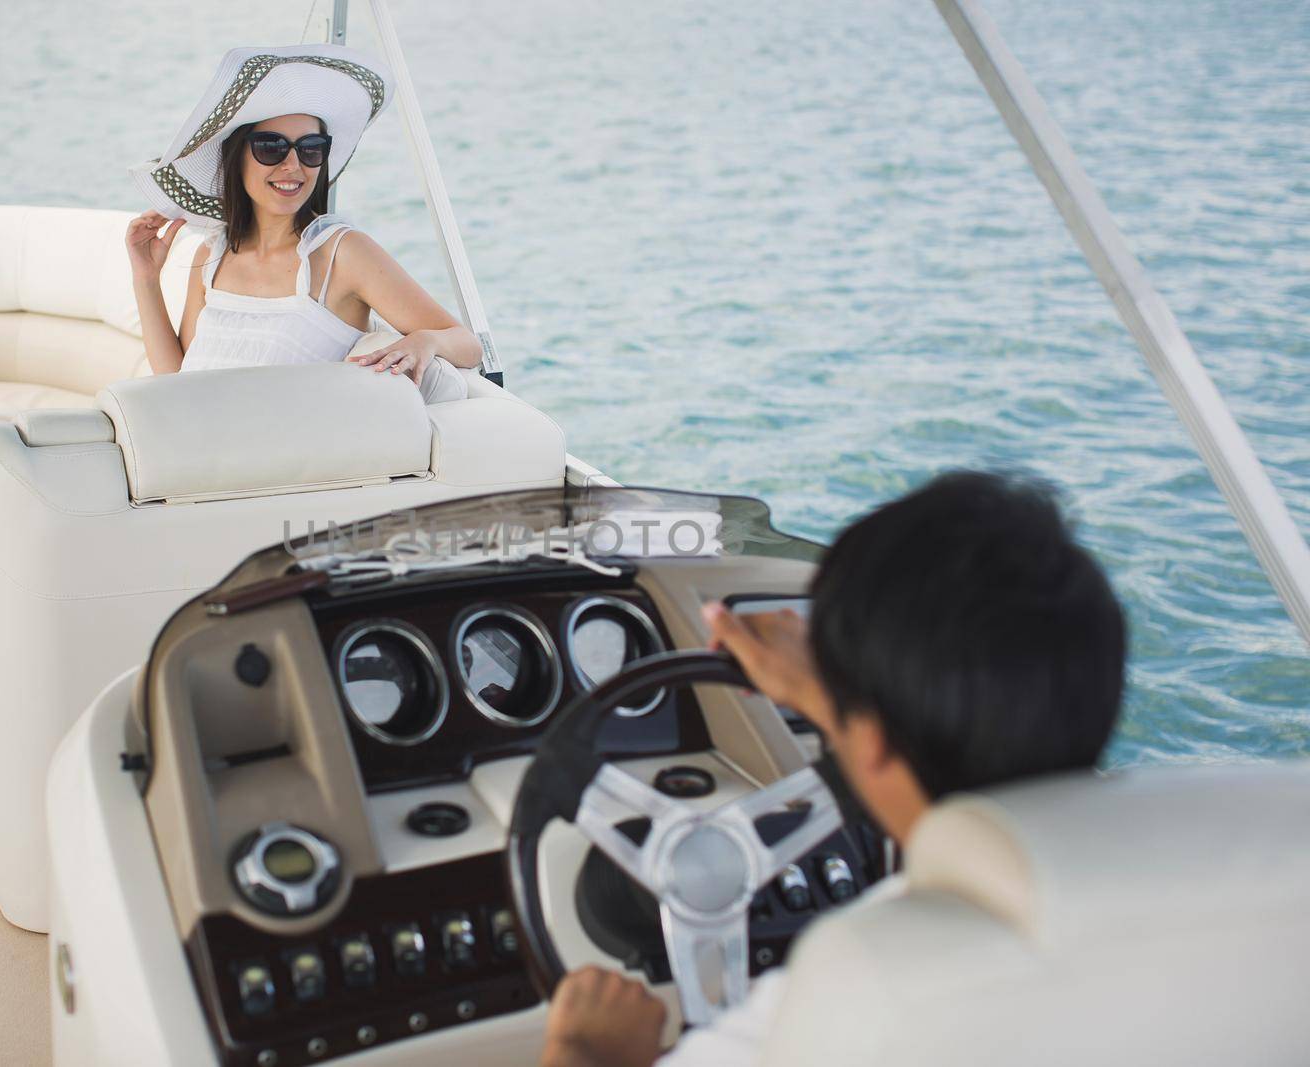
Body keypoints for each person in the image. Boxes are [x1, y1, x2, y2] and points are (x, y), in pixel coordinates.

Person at [540, 470, 1128, 1067]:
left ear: (871, 742)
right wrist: (845, 702)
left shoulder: (857, 988)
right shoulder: (1172, 892)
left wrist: (585, 1051)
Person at [124, 45, 478, 402]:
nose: (293, 165)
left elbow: (467, 344)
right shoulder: (213, 254)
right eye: (271, 147)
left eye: (311, 148)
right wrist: (146, 278)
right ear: (237, 158)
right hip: (194, 444)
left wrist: (424, 339)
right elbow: (176, 380)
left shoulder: (341, 254)